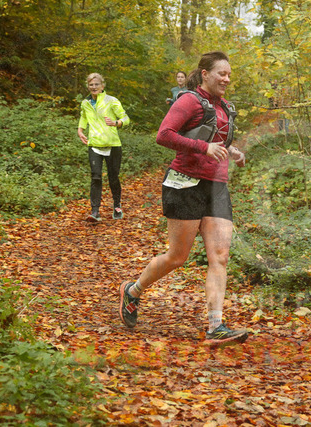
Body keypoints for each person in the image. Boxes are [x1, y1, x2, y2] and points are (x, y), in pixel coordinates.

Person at [119, 51, 248, 345]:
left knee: (220, 256)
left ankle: (216, 326)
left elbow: (217, 140)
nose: (227, 79)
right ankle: (133, 290)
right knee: (178, 257)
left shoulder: (225, 107)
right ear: (205, 74)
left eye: (229, 75)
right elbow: (164, 135)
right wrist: (203, 148)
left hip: (216, 186)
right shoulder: (189, 100)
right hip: (185, 183)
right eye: (222, 74)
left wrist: (233, 151)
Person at [77, 73, 130, 222]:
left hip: (112, 145)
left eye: (96, 84)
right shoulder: (85, 103)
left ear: (102, 85)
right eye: (91, 85)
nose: (94, 87)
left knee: (113, 178)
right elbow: (84, 117)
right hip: (94, 144)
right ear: (88, 86)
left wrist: (116, 123)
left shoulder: (111, 101)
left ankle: (117, 206)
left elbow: (126, 118)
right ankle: (95, 211)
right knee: (96, 177)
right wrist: (80, 130)